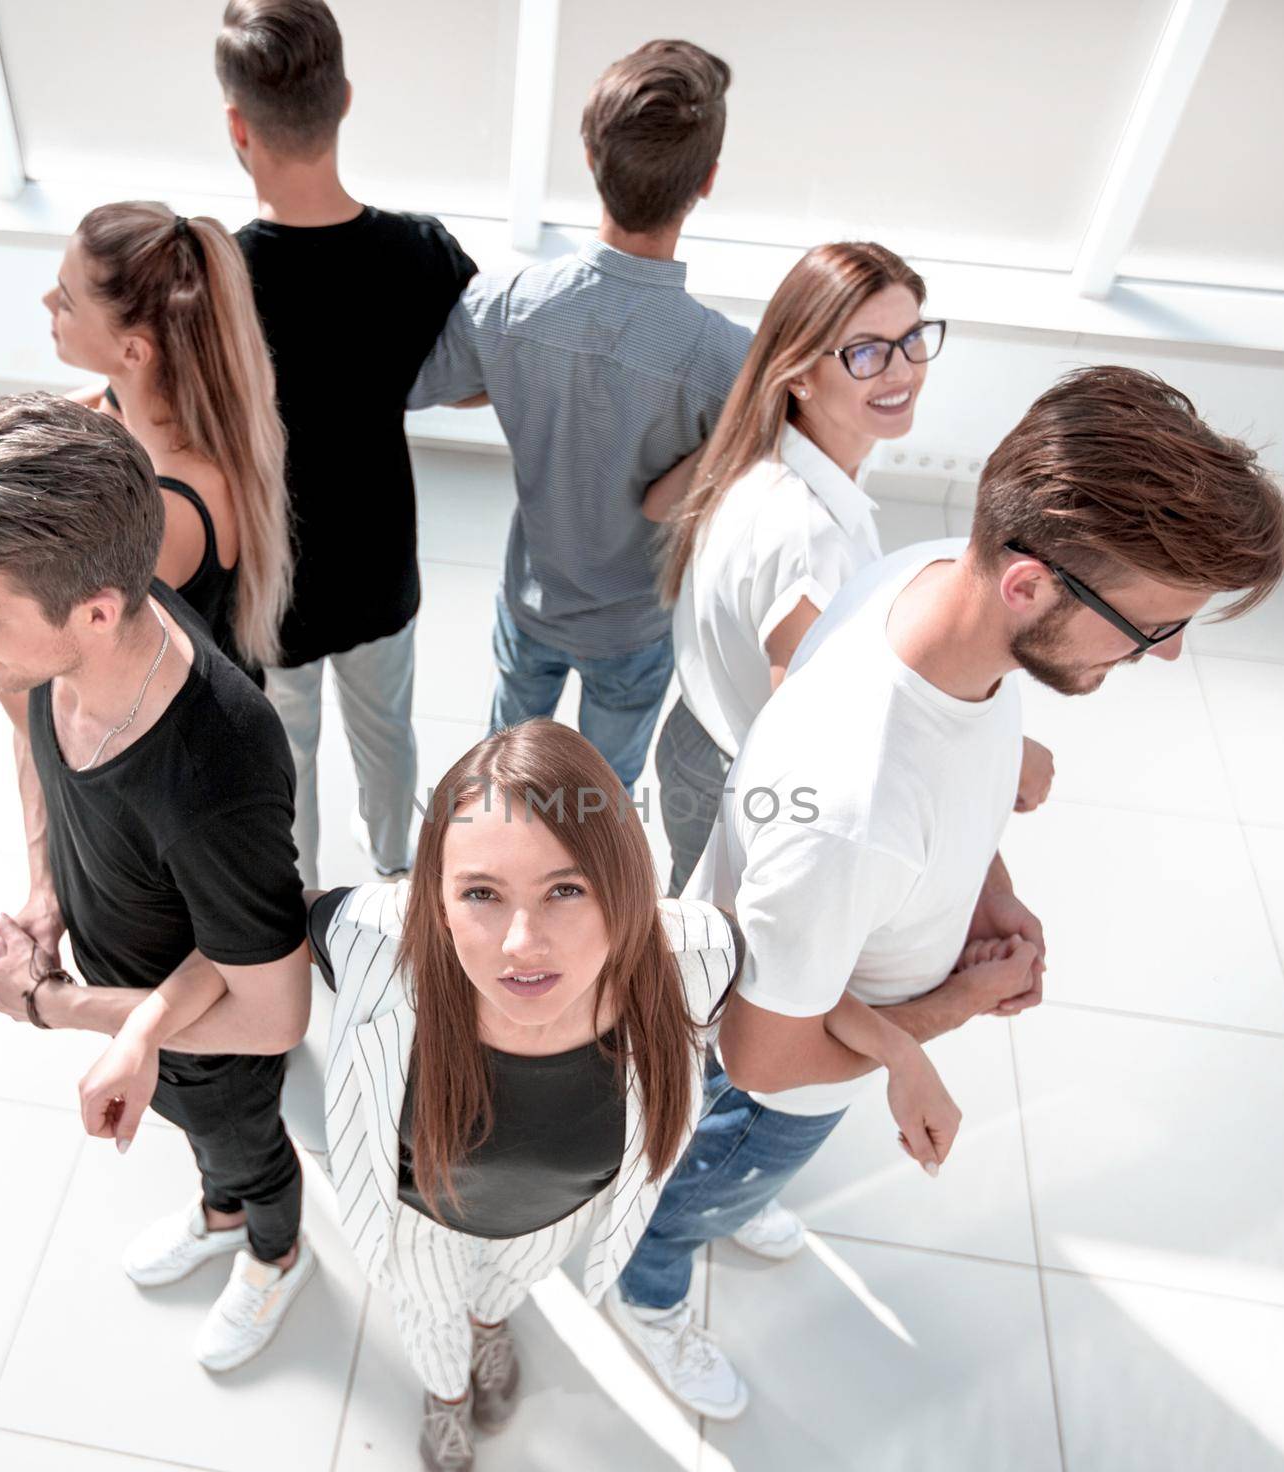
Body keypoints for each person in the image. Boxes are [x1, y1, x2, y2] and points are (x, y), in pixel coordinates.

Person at [608, 365, 1284, 1414]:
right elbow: (761, 1051)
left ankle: (726, 1200)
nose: (1163, 655)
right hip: (785, 1073)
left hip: (823, 979)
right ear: (1028, 586)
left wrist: (987, 883)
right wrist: (937, 1025)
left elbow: (951, 770)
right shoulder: (847, 811)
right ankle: (648, 1294)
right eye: (1151, 627)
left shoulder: (933, 573)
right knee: (698, 1182)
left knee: (734, 1163)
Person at [290, 720, 935, 1472]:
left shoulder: (687, 952)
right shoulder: (372, 934)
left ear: (622, 884)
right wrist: (142, 1023)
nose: (522, 944)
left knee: (502, 1291)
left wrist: (903, 1055)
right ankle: (447, 1401)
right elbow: (261, 921)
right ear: (434, 896)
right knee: (428, 1318)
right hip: (419, 1214)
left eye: (565, 889)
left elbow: (801, 992)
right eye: (481, 894)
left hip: (561, 1211)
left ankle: (491, 1326)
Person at [0, 393, 316, 1374]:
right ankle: (221, 1211)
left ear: (96, 612)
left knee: (248, 1147)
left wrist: (52, 1007)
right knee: (204, 1149)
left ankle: (274, 1249)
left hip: (212, 1038)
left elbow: (272, 1017)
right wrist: (46, 887)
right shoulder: (64, 637)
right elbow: (29, 734)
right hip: (136, 1004)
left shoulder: (212, 778)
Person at [649, 239, 1053, 897]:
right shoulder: (809, 538)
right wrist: (999, 761)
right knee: (713, 965)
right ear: (799, 373)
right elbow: (815, 740)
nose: (899, 372)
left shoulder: (759, 454)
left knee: (687, 929)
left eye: (910, 339)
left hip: (696, 734)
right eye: (865, 352)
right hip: (732, 779)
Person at [407, 38, 752, 791]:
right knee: (602, 795)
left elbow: (421, 387)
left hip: (531, 600)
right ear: (707, 183)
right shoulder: (730, 362)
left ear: (591, 161)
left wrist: (517, 371)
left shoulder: (504, 308)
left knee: (501, 776)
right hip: (634, 626)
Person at [217, 0, 477, 881]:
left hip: (268, 580)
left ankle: (302, 907)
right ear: (346, 99)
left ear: (236, 125)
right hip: (378, 566)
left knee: (284, 751)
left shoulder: (215, 276)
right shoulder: (419, 253)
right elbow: (478, 379)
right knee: (387, 733)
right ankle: (398, 877)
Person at [43, 200, 293, 683]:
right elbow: (79, 412)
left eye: (68, 301)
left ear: (133, 350)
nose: (48, 300)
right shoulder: (135, 398)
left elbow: (93, 655)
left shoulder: (173, 509)